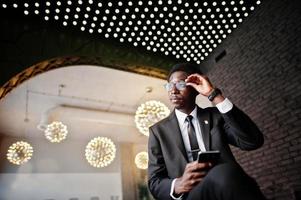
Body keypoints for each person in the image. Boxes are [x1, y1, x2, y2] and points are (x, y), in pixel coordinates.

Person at [147, 63, 266, 200]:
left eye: (180, 84)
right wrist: (178, 184)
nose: (173, 90)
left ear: (195, 88)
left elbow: (252, 141)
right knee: (228, 172)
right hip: (190, 196)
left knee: (230, 173)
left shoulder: (216, 116)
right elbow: (154, 181)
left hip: (225, 187)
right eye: (169, 85)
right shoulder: (158, 131)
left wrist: (213, 94)